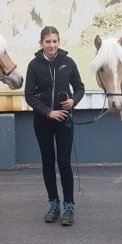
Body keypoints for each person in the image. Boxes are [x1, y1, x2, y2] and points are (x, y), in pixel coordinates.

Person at [24, 26, 85, 226]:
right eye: (48, 41)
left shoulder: (68, 63)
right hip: (43, 121)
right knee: (48, 163)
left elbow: (80, 87)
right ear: (41, 43)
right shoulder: (34, 65)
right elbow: (30, 96)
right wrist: (48, 112)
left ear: (59, 42)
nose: (51, 45)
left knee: (64, 162)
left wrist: (74, 101)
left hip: (64, 120)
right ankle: (53, 205)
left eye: (55, 41)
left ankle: (68, 206)